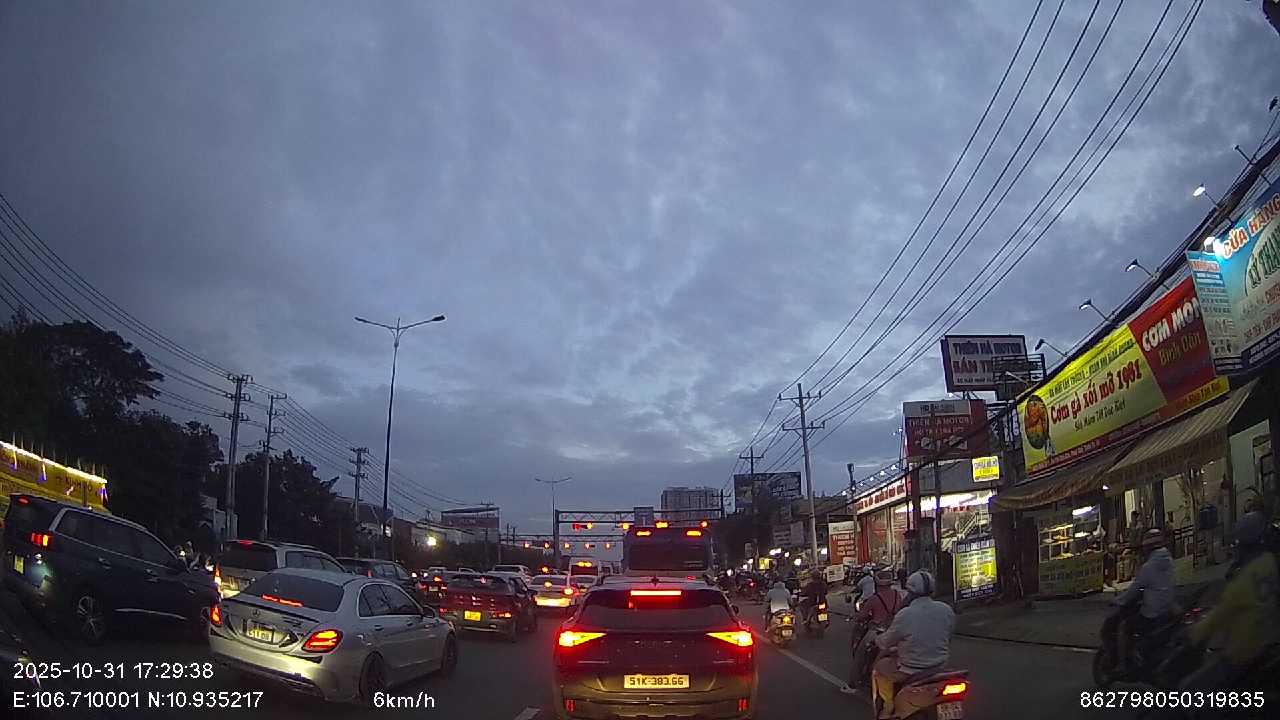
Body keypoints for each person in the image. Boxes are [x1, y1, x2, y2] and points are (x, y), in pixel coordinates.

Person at [1182, 511, 1279, 690]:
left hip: (1243, 654)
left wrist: (1192, 634)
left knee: (1191, 688)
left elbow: (1217, 616)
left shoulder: (1243, 582)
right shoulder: (1270, 564)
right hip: (1268, 645)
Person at [871, 570, 954, 719]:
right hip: (940, 666)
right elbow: (948, 635)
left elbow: (886, 641)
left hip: (911, 670)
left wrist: (877, 639)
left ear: (910, 592)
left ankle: (888, 706)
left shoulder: (906, 614)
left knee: (879, 667)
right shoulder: (946, 609)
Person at [1114, 528, 1176, 671]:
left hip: (1153, 613)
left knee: (1124, 627)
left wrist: (1118, 600)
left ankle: (1123, 665)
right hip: (1168, 609)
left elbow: (1133, 590)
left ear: (1148, 548)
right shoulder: (1169, 560)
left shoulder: (1148, 567)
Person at [841, 569, 904, 695]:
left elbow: (862, 615)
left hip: (876, 631)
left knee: (860, 655)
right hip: (894, 630)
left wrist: (855, 616)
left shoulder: (874, 599)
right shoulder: (897, 595)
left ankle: (852, 684)